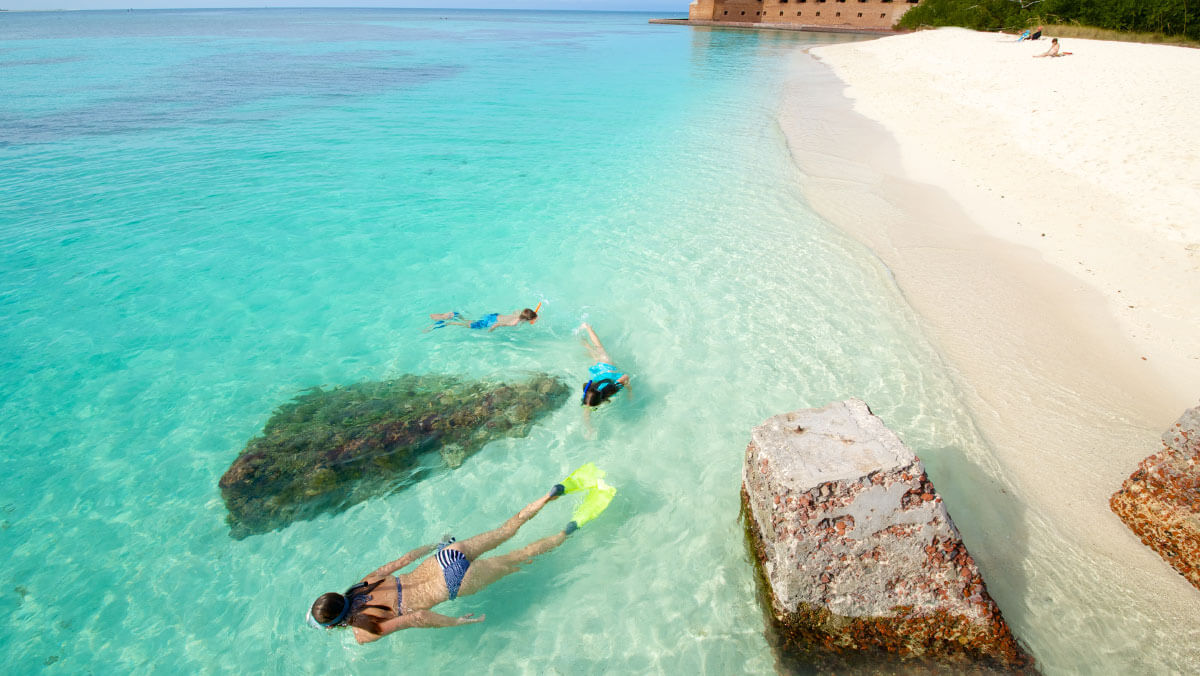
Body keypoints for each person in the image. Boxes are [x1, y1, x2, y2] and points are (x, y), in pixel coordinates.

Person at [307, 487, 574, 644]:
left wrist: (456, 621)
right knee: (504, 531)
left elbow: (417, 617)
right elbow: (403, 561)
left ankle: (565, 533)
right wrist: (436, 545)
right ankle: (546, 497)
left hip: (451, 583)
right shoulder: (363, 583)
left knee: (518, 557)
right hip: (444, 557)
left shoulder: (363, 633)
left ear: (333, 625)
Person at [578, 323, 630, 408]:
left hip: (606, 366)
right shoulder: (588, 391)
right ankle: (586, 341)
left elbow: (626, 376)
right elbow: (588, 402)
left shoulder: (612, 389)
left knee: (599, 348)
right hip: (597, 370)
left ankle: (588, 327)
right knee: (596, 353)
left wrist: (629, 389)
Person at [426, 307, 538, 332]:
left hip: (492, 315)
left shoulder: (519, 313)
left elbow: (516, 312)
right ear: (527, 319)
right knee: (464, 324)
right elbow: (497, 324)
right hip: (490, 322)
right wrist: (489, 332)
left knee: (469, 320)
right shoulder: (514, 323)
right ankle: (449, 320)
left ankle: (455, 314)